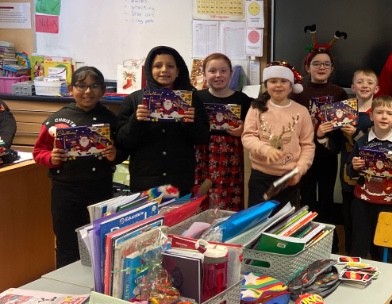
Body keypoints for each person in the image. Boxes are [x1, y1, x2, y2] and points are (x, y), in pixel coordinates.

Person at [32, 67, 122, 266]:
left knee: (99, 243)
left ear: (103, 90)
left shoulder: (111, 119)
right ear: (71, 89)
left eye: (94, 86)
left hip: (100, 189)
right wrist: (51, 157)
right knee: (67, 244)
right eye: (81, 86)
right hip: (66, 192)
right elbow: (38, 152)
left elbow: (122, 150)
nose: (88, 91)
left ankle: (97, 281)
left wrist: (114, 155)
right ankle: (65, 284)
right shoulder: (57, 120)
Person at [116, 46, 209, 194]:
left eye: (170, 66)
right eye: (158, 66)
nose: (164, 70)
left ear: (178, 71)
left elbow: (203, 138)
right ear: (149, 70)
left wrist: (192, 123)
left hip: (180, 181)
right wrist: (136, 121)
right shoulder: (134, 99)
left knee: (180, 210)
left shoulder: (191, 99)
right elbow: (122, 141)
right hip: (145, 182)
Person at [292, 35, 348, 245]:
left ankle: (329, 243)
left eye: (326, 64)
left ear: (332, 68)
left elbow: (343, 127)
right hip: (304, 155)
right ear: (307, 67)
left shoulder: (339, 93)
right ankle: (306, 242)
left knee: (326, 198)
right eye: (316, 63)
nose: (321, 67)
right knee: (306, 198)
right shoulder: (298, 92)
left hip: (328, 155)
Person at [345, 95, 392, 259]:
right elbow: (349, 171)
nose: (384, 117)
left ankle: (386, 273)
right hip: (362, 203)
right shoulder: (362, 142)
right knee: (360, 245)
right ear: (371, 116)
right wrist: (354, 167)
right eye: (379, 112)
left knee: (386, 248)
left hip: (390, 204)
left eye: (389, 113)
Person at [242, 61, 315, 209]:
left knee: (285, 219)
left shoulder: (301, 111)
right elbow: (248, 136)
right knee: (257, 217)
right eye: (273, 81)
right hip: (260, 177)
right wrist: (265, 149)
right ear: (266, 85)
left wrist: (299, 170)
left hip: (288, 178)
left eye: (283, 81)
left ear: (291, 86)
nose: (278, 85)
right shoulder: (256, 108)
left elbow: (308, 146)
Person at [194, 53, 251, 211]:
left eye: (223, 71)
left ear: (231, 73)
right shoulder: (196, 97)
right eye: (212, 71)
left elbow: (253, 128)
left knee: (230, 199)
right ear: (204, 74)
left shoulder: (243, 99)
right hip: (203, 155)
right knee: (201, 197)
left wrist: (243, 130)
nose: (218, 75)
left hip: (232, 157)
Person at [335, 68, 378, 254]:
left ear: (377, 88)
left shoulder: (381, 111)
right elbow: (335, 144)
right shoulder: (343, 111)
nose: (365, 86)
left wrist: (357, 134)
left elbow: (382, 143)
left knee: (372, 220)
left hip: (374, 177)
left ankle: (374, 259)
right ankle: (351, 256)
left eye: (369, 82)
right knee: (349, 217)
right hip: (348, 174)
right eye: (360, 82)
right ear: (352, 87)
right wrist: (323, 133)